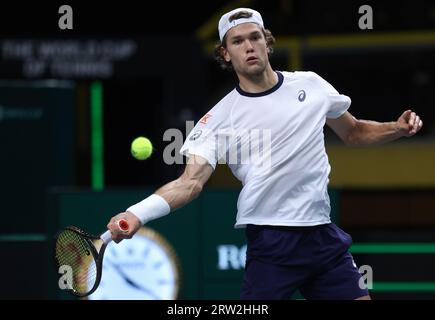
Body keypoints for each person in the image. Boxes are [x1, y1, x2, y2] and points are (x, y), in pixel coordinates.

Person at [106, 8, 423, 300]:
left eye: (255, 37)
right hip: (272, 244)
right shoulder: (217, 120)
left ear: (267, 43)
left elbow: (353, 132)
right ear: (225, 54)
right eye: (238, 41)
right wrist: (136, 214)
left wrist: (396, 128)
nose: (249, 46)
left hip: (323, 237)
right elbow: (189, 183)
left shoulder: (311, 85)